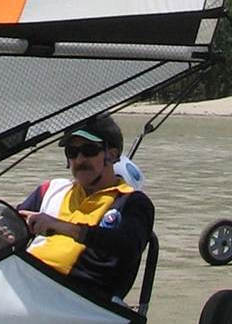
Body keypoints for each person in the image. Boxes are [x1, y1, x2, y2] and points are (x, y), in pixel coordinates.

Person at [18, 114, 154, 295]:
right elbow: (10, 223)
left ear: (111, 155)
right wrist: (4, 233)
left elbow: (129, 246)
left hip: (76, 300)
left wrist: (63, 227)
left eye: (89, 150)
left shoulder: (132, 201)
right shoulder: (51, 189)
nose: (80, 160)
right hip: (25, 281)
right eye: (72, 152)